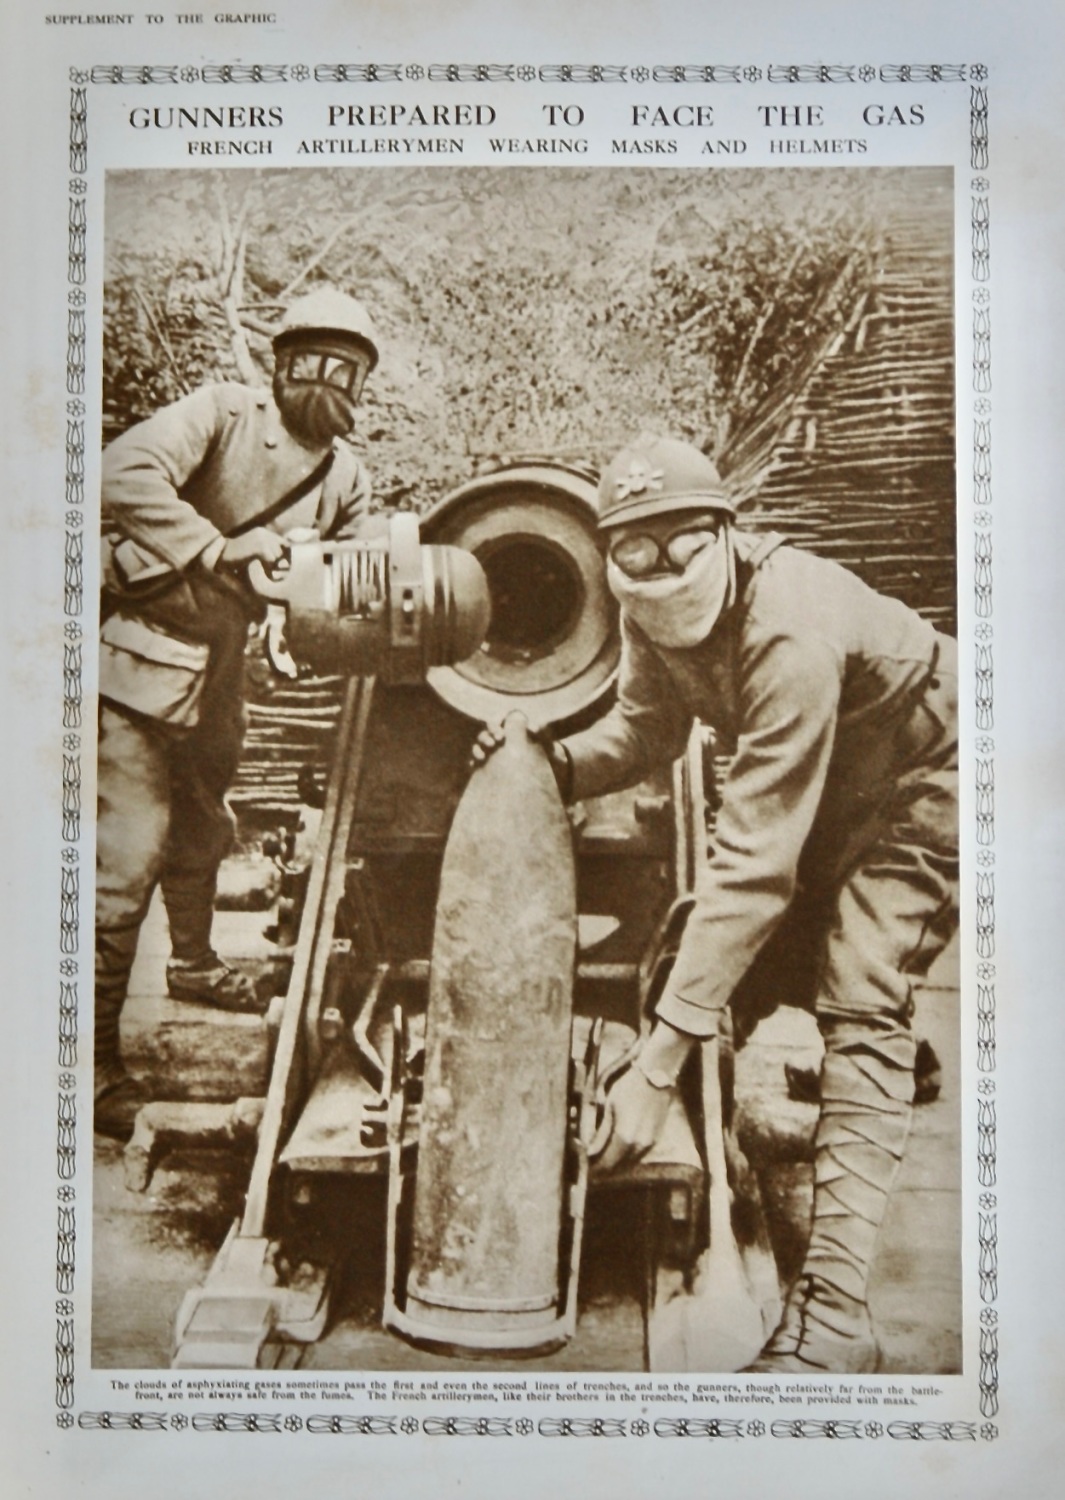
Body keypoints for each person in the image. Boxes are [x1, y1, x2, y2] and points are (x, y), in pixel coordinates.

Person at [477, 432, 958, 1374]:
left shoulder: (789, 623)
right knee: (708, 958)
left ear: (728, 533)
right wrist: (549, 760)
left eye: (682, 540)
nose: (659, 565)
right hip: (830, 782)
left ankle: (835, 1323)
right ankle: (885, 1068)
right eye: (635, 548)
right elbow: (645, 728)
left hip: (923, 771)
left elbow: (751, 865)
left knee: (859, 988)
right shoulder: (646, 610)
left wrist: (654, 1069)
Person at [95, 287, 381, 1142]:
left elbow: (347, 583)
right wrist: (218, 548)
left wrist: (306, 631)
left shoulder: (347, 477)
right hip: (139, 662)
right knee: (125, 860)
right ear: (281, 365)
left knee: (202, 832)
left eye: (348, 369)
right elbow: (118, 472)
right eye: (314, 362)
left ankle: (191, 965)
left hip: (224, 673)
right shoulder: (221, 414)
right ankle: (84, 1069)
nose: (328, 381)